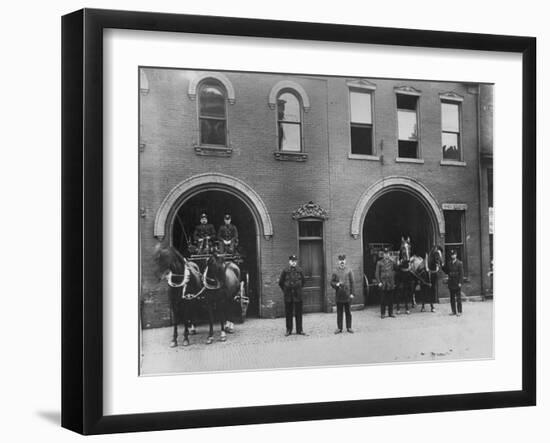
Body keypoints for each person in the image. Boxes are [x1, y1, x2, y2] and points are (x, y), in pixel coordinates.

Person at [278, 254, 306, 336]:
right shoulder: (285, 271)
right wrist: (285, 291)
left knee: (299, 313)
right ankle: (288, 330)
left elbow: (303, 282)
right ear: (289, 262)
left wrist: (298, 289)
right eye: (292, 261)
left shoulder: (300, 270)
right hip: (288, 295)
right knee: (288, 313)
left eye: (295, 261)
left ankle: (299, 330)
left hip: (298, 295)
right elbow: (280, 282)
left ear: (296, 262)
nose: (294, 263)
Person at [330, 254, 355, 333]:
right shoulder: (335, 271)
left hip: (347, 295)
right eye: (340, 260)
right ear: (338, 261)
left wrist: (352, 293)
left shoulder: (349, 270)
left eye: (343, 260)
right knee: (339, 312)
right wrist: (336, 284)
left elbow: (352, 282)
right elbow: (331, 282)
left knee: (348, 312)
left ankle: (349, 327)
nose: (342, 262)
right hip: (339, 295)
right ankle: (339, 328)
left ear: (345, 261)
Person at [375, 247, 399, 319]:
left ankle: (390, 313)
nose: (386, 255)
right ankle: (383, 313)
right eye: (385, 254)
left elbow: (397, 269)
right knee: (383, 299)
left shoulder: (392, 262)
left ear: (389, 254)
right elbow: (376, 273)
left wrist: (397, 261)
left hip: (390, 284)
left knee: (391, 299)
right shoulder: (379, 263)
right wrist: (379, 282)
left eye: (387, 254)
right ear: (383, 254)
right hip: (383, 284)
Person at [442, 249, 464, 316]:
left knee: (458, 298)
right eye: (452, 255)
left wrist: (460, 282)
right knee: (452, 298)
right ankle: (453, 311)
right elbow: (446, 271)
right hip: (451, 282)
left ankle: (459, 311)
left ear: (456, 255)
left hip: (457, 282)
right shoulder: (449, 263)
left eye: (454, 254)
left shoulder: (459, 263)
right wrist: (443, 267)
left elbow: (461, 274)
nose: (453, 256)